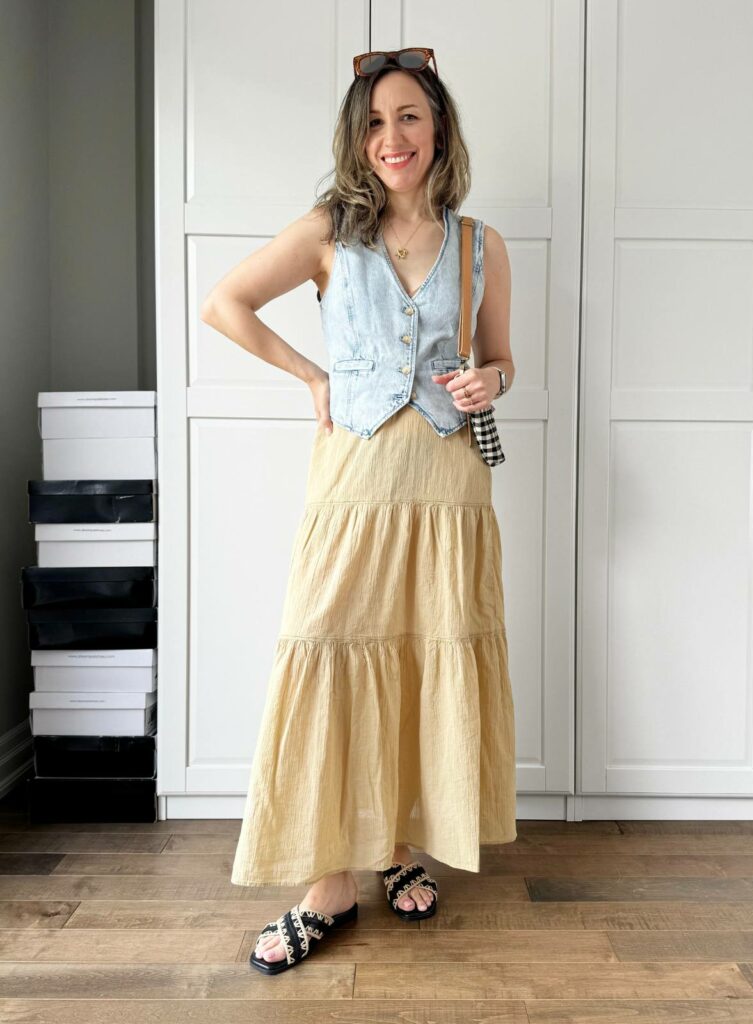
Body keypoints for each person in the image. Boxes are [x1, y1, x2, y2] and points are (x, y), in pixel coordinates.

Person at [200, 47, 517, 976]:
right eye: (376, 122)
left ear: (439, 128)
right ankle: (327, 880)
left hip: (449, 484)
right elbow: (225, 303)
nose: (393, 138)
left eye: (410, 117)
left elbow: (505, 362)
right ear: (357, 136)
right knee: (331, 652)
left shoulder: (480, 244)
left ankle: (397, 846)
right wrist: (312, 376)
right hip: (355, 485)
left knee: (423, 658)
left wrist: (488, 379)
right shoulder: (329, 236)